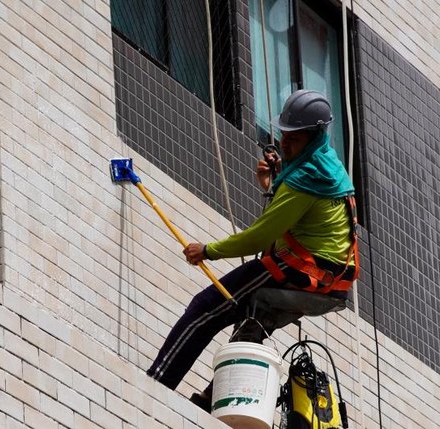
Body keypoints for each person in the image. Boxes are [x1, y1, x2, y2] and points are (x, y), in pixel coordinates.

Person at [146, 90, 358, 411]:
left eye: (294, 140)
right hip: (329, 287)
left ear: (314, 138)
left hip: (301, 273)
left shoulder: (306, 178)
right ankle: (211, 401)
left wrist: (208, 250)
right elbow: (301, 223)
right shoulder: (329, 169)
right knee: (252, 327)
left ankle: (155, 384)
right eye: (283, 137)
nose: (285, 145)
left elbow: (260, 237)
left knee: (205, 308)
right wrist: (271, 185)